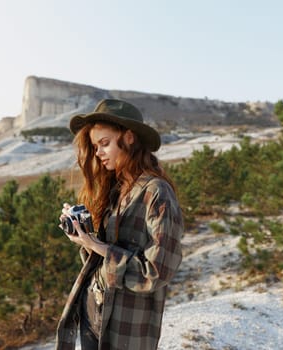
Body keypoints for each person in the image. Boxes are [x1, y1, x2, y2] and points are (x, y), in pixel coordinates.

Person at [56, 99, 183, 350]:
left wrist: (98, 246)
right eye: (94, 147)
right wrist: (83, 236)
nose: (98, 153)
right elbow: (104, 262)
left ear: (129, 138)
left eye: (104, 144)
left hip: (128, 330)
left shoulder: (156, 193)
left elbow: (157, 271)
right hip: (94, 315)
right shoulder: (115, 189)